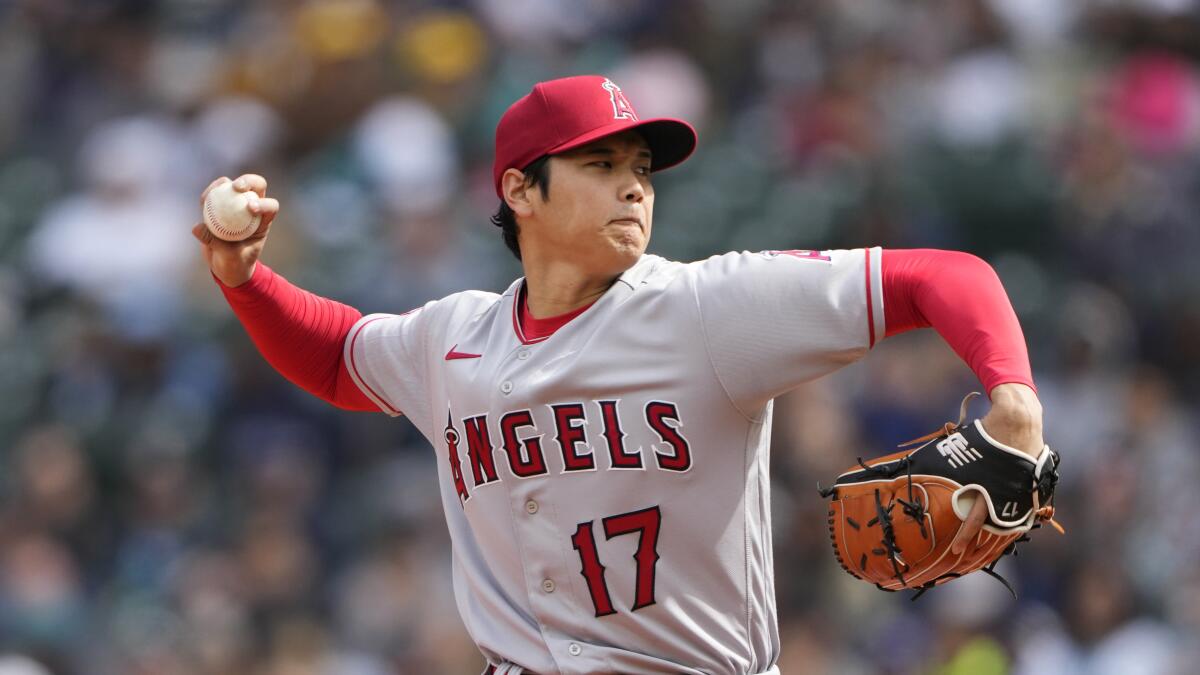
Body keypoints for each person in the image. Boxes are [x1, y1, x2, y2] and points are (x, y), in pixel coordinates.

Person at [192, 75, 1046, 675]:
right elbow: (340, 356)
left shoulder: (706, 308)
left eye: (640, 169)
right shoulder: (454, 337)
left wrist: (1012, 396)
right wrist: (246, 280)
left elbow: (945, 275)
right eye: (600, 167)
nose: (634, 188)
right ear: (521, 191)